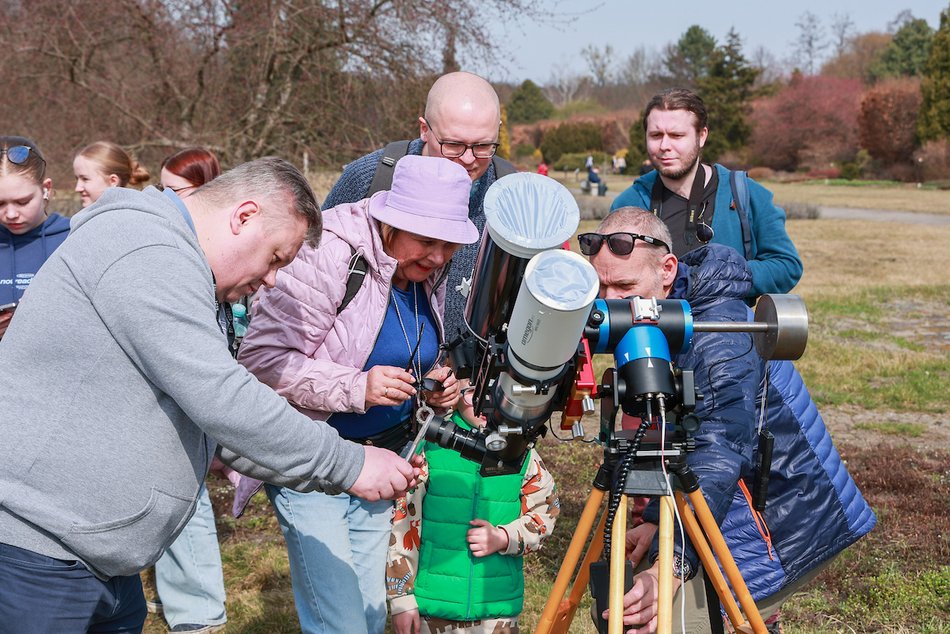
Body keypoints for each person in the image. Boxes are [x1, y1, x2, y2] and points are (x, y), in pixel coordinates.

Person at [0, 157, 419, 633]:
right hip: (38, 555)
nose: (272, 279)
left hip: (99, 561)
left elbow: (216, 426)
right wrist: (350, 464)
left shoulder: (187, 274)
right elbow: (223, 397)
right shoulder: (146, 249)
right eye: (277, 257)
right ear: (244, 217)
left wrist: (341, 475)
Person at [580, 208, 875, 633]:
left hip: (776, 517)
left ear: (667, 270)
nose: (610, 304)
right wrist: (652, 522)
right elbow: (672, 436)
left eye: (625, 287)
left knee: (677, 621)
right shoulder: (656, 316)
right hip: (724, 500)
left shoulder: (719, 334)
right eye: (602, 286)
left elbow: (717, 451)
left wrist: (671, 567)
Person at [237, 155, 474, 634]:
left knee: (368, 613)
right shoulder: (330, 253)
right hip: (314, 461)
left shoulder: (427, 272)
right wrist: (357, 388)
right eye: (427, 241)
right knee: (339, 622)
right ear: (391, 222)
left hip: (384, 464)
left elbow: (405, 345)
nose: (437, 256)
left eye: (449, 245)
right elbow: (261, 361)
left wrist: (437, 385)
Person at [322, 71, 515, 345]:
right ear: (424, 129)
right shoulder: (370, 178)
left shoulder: (509, 194)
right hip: (365, 377)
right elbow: (310, 268)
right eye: (453, 145)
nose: (469, 159)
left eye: (483, 145)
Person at [611, 88, 802, 298]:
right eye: (656, 135)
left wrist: (725, 277)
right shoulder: (629, 202)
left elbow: (787, 266)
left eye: (676, 135)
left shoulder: (748, 194)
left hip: (727, 328)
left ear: (702, 136)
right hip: (649, 329)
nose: (665, 146)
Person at [386, 408, 559, 634]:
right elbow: (403, 521)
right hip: (432, 609)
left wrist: (505, 537)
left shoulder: (522, 451)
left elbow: (547, 509)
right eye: (472, 390)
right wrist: (401, 598)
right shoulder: (431, 447)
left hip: (496, 611)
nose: (485, 406)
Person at [149, 147, 229, 634]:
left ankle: (199, 611)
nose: (164, 200)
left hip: (199, 397)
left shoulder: (210, 252)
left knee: (188, 502)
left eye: (173, 191)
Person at [0, 136, 70, 340]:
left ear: (45, 189)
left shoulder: (74, 237)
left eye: (22, 202)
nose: (11, 214)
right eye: (0, 204)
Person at [73, 140, 151, 207]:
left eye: (85, 179)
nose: (77, 188)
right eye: (77, 179)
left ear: (113, 181)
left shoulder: (126, 220)